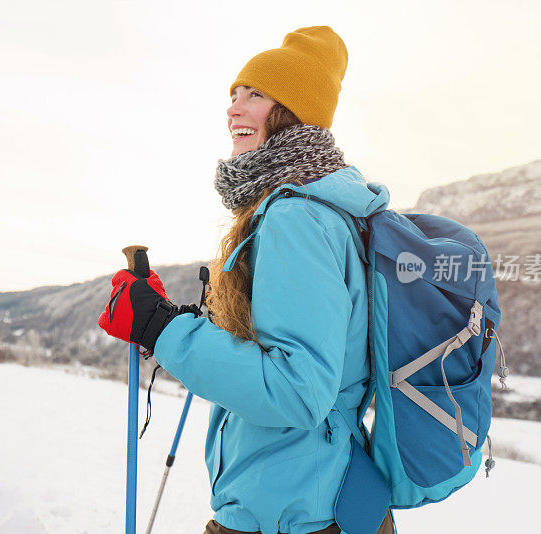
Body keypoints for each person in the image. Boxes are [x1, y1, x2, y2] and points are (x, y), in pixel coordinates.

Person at [99, 26, 394, 534]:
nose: (234, 108)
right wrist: (191, 323)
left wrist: (159, 329)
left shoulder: (296, 217)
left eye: (254, 94)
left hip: (290, 511)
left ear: (293, 113)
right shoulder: (329, 209)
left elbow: (298, 390)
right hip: (316, 494)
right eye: (234, 94)